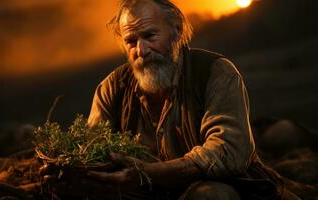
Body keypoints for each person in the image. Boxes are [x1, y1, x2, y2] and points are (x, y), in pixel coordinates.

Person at [41, 0, 300, 199]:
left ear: (176, 30)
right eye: (131, 41)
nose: (140, 51)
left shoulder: (215, 72)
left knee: (211, 195)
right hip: (139, 193)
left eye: (150, 36)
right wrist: (69, 168)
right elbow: (92, 148)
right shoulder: (112, 87)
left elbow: (229, 150)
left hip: (206, 188)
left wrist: (148, 172)